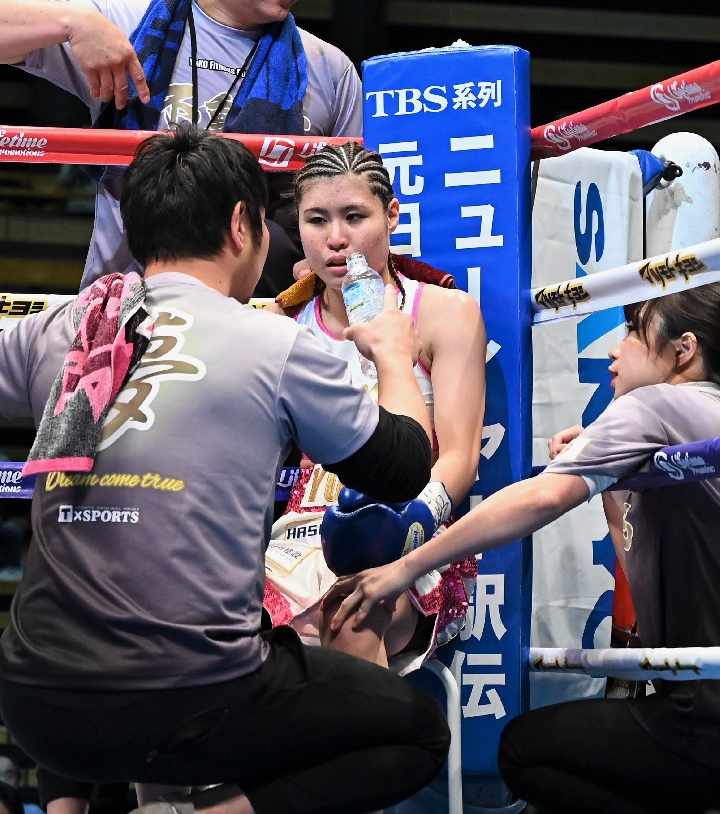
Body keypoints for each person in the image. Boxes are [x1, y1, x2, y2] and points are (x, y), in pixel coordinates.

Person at [0, 125, 451, 814]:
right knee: (414, 732)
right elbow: (404, 467)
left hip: (35, 705)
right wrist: (393, 352)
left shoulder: (66, 327)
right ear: (244, 225)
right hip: (191, 699)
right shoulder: (271, 341)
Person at [324, 283, 720, 814]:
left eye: (633, 331)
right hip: (698, 695)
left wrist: (402, 568)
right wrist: (612, 477)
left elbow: (542, 496)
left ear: (683, 350)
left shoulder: (658, 404)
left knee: (523, 753)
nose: (615, 347)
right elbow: (646, 569)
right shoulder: (702, 415)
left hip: (703, 714)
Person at [0, 0, 362, 296]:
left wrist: (327, 257)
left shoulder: (329, 70)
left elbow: (358, 201)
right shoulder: (126, 28)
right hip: (126, 312)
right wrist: (72, 22)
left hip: (264, 313)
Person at [264, 141, 486, 672]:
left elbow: (460, 457)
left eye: (354, 216)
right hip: (295, 536)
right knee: (214, 611)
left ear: (391, 215)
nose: (336, 238)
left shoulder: (443, 313)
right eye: (317, 220)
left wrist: (407, 526)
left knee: (350, 612)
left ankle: (367, 727)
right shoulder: (279, 326)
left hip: (414, 542)